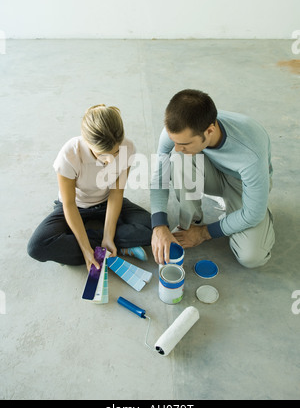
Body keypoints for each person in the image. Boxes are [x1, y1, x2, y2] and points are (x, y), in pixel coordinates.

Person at [151, 89, 275, 268]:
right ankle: (191, 224)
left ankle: (260, 208)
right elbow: (159, 177)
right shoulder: (179, 130)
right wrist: (159, 226)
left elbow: (252, 215)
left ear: (209, 130)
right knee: (177, 158)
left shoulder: (251, 152)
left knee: (252, 257)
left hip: (241, 185)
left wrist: (205, 233)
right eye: (174, 140)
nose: (176, 147)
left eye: (184, 144)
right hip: (211, 170)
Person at [27, 104, 152, 272]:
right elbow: (69, 204)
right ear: (87, 142)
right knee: (37, 247)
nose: (109, 162)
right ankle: (110, 245)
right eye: (101, 155)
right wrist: (86, 248)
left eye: (114, 153)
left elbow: (116, 192)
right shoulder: (70, 153)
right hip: (75, 206)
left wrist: (108, 235)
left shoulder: (127, 148)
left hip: (107, 202)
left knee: (155, 228)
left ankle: (95, 243)